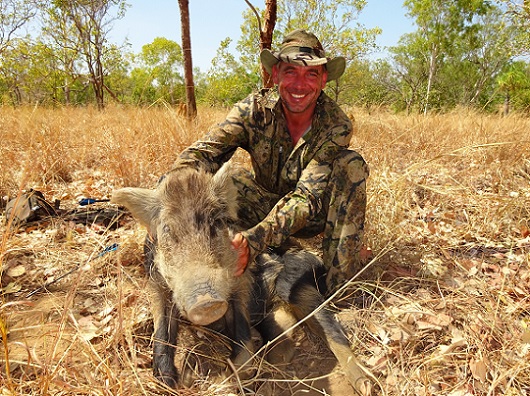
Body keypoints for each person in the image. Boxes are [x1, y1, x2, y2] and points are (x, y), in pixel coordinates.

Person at [175, 29, 369, 291]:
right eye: (290, 71)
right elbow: (202, 153)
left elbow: (307, 198)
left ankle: (339, 290)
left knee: (351, 166)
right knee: (227, 177)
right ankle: (211, 260)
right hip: (262, 205)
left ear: (323, 79)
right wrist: (168, 197)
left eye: (311, 74)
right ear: (275, 74)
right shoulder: (253, 109)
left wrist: (255, 240)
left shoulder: (336, 125)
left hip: (312, 217)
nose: (299, 85)